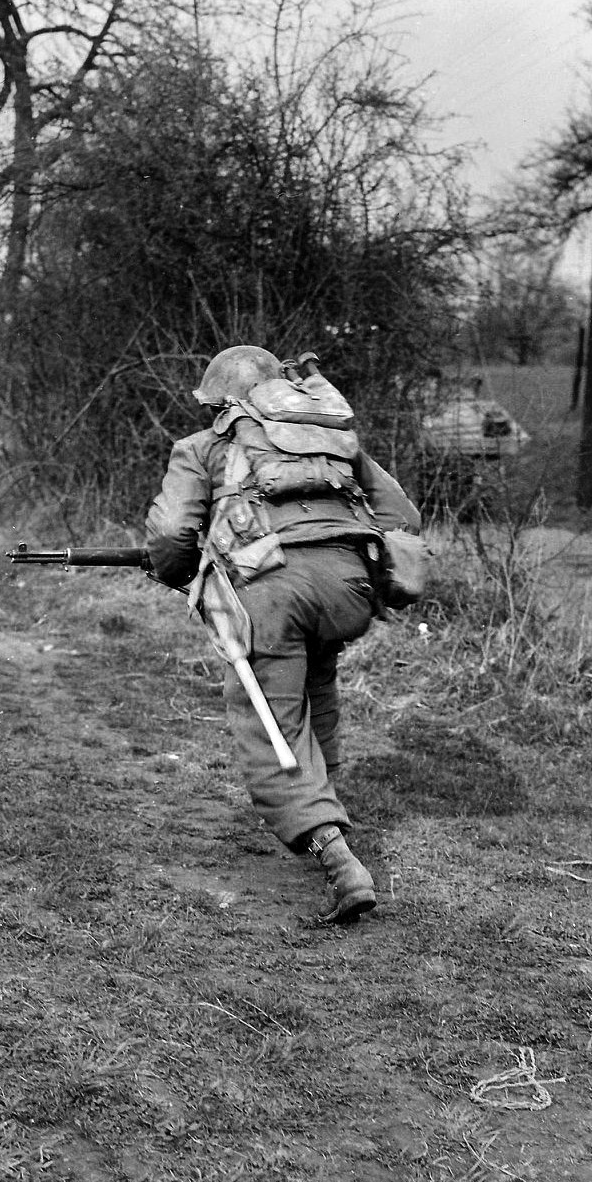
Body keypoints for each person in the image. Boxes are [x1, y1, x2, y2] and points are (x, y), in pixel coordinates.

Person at [145, 345, 422, 924]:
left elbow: (172, 536)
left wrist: (178, 574)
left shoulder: (202, 448)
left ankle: (341, 861)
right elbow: (404, 517)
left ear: (220, 402)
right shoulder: (332, 443)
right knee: (315, 687)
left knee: (270, 726)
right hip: (350, 591)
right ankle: (328, 804)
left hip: (270, 596)